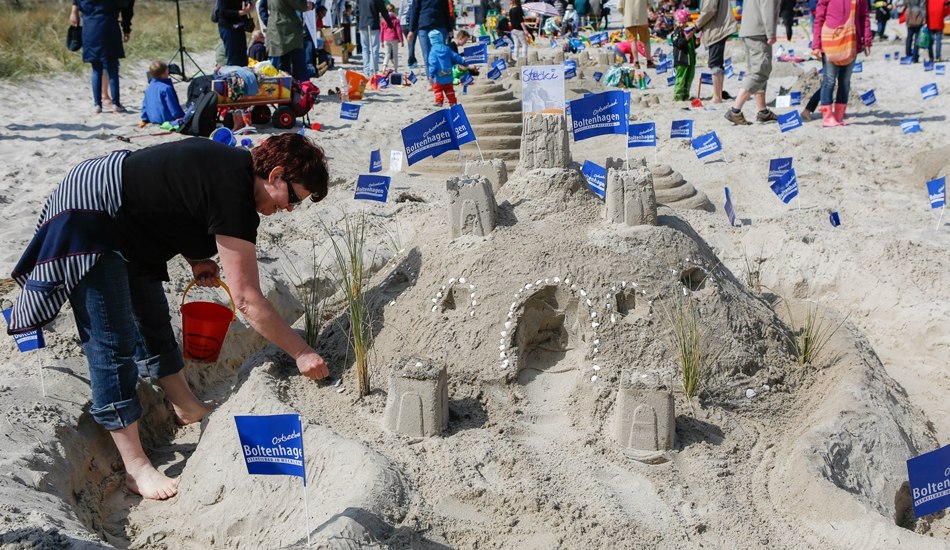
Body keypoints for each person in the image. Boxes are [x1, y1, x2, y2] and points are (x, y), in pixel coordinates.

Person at [6, 134, 331, 501]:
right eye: (293, 199)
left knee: (152, 315)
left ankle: (186, 405)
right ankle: (135, 467)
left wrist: (196, 259)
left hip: (130, 220)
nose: (289, 209)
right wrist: (302, 351)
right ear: (274, 175)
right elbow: (247, 300)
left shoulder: (232, 172)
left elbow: (174, 201)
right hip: (91, 215)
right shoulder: (234, 191)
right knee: (111, 341)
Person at [812, 0, 871, 126]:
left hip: (851, 42)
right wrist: (816, 45)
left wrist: (867, 40)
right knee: (829, 80)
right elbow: (819, 17)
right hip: (830, 41)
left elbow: (864, 17)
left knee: (845, 81)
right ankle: (827, 117)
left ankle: (839, 116)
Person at [70, 0, 133, 114]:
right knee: (113, 69)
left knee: (96, 69)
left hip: (90, 28)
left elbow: (77, 4)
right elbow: (126, 7)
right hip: (110, 27)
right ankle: (115, 104)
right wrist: (126, 29)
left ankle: (97, 105)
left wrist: (74, 11)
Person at [724, 0, 779, 125]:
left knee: (755, 71)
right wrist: (771, 33)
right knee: (760, 71)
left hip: (749, 29)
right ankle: (735, 111)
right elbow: (767, 9)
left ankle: (763, 111)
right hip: (759, 31)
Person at [695, 0, 738, 103]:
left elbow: (710, 10)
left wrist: (696, 26)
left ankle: (717, 97)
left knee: (714, 64)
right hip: (720, 27)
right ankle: (718, 94)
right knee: (718, 63)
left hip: (717, 29)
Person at [267, 0, 314, 81]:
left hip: (275, 29)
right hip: (289, 31)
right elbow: (301, 5)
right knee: (299, 64)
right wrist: (311, 5)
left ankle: (289, 89)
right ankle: (303, 88)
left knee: (283, 65)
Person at [409, 0, 456, 72]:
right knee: (427, 55)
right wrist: (411, 30)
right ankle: (431, 79)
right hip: (424, 26)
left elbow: (446, 11)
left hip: (440, 26)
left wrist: (449, 29)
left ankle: (439, 78)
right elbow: (414, 10)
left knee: (439, 53)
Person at [427, 29, 468, 106]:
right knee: (449, 89)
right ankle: (452, 102)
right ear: (441, 38)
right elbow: (455, 56)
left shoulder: (433, 51)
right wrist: (464, 62)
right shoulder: (446, 48)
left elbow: (432, 63)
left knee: (437, 89)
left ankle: (439, 102)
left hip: (439, 75)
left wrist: (431, 74)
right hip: (448, 73)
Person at [140, 61, 185, 127]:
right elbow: (172, 106)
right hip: (165, 120)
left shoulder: (149, 87)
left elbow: (145, 105)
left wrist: (144, 119)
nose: (168, 73)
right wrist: (179, 117)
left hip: (152, 119)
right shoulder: (166, 88)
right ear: (163, 73)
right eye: (167, 71)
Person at [357, 0, 393, 75]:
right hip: (373, 25)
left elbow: (358, 11)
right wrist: (390, 24)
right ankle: (372, 70)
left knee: (365, 49)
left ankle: (366, 69)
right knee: (374, 49)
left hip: (362, 24)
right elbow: (384, 12)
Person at [671, 9, 699, 101]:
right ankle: (678, 97)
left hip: (690, 60)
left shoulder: (688, 31)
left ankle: (685, 95)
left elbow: (693, 45)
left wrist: (697, 42)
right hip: (681, 61)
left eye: (683, 22)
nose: (682, 24)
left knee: (689, 79)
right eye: (680, 22)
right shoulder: (676, 32)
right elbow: (678, 44)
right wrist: (686, 38)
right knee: (681, 79)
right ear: (676, 22)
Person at [217, 0, 254, 67]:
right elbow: (222, 11)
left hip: (240, 26)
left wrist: (248, 4)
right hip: (228, 27)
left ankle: (243, 74)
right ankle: (233, 75)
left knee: (243, 57)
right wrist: (239, 13)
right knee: (233, 58)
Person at [619, 0, 654, 67]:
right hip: (642, 17)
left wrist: (625, 13)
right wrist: (643, 8)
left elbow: (620, 6)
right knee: (646, 40)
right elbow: (650, 3)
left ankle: (636, 62)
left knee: (633, 41)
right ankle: (649, 61)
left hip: (629, 18)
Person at [380, 3, 404, 70]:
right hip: (394, 38)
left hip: (386, 39)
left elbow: (381, 31)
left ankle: (384, 67)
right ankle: (395, 69)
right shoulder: (396, 20)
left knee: (387, 54)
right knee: (395, 54)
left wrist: (381, 41)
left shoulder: (383, 20)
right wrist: (401, 40)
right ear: (393, 10)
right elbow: (399, 31)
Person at [397, 0, 419, 68]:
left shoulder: (403, 1)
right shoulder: (415, 1)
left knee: (409, 43)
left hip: (403, 22)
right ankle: (411, 61)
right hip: (413, 22)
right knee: (412, 43)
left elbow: (400, 12)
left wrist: (398, 22)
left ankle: (413, 59)